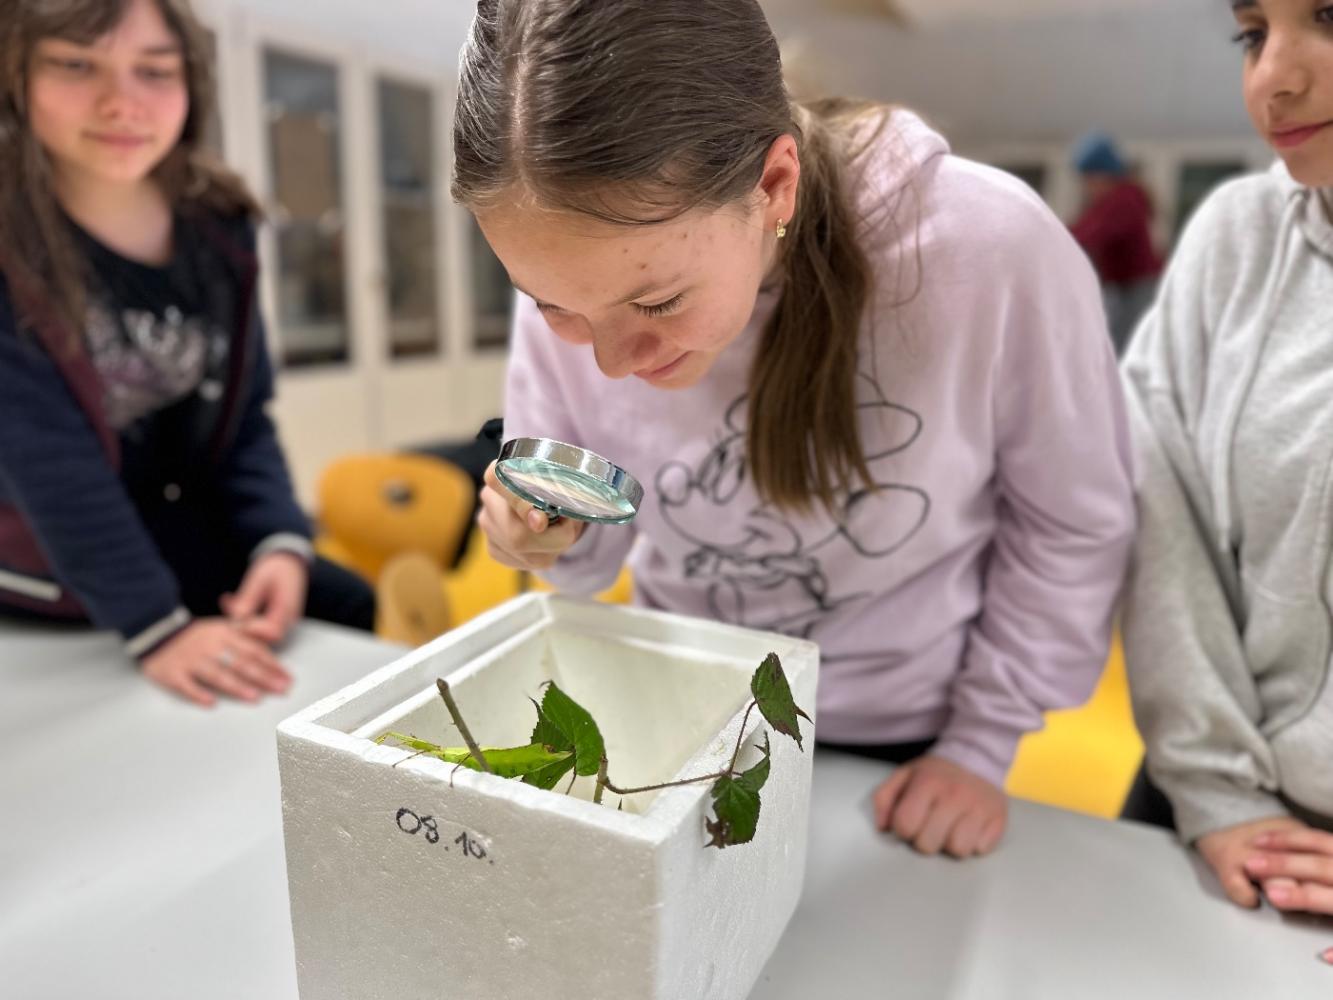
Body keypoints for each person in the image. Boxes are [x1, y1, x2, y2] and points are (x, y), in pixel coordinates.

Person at [459, 0, 1135, 859]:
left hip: (903, 740)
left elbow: (1071, 521)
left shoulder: (988, 249)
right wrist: (547, 537)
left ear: (774, 188)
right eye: (551, 305)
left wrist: (979, 744)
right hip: (682, 702)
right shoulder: (583, 267)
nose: (611, 361)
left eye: (658, 302)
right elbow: (592, 552)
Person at [0, 0, 376, 707]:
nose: (122, 102)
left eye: (154, 70)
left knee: (342, 602)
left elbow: (246, 418)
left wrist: (278, 539)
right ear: (15, 73)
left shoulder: (219, 225)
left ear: (191, 81)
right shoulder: (12, 244)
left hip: (178, 527)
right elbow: (47, 464)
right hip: (53, 562)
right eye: (76, 65)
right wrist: (158, 628)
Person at [1120, 0, 1333, 935]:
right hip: (1209, 806)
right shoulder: (1236, 236)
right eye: (1252, 34)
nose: (1271, 79)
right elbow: (1162, 508)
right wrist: (1213, 789)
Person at [1068, 131, 1164, 356]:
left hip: (1138, 287)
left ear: (1105, 174)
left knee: (1126, 350)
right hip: (1123, 288)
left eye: (1089, 178)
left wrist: (1056, 239)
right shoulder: (1112, 200)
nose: (1086, 186)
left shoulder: (1125, 198)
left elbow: (1091, 233)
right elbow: (1084, 228)